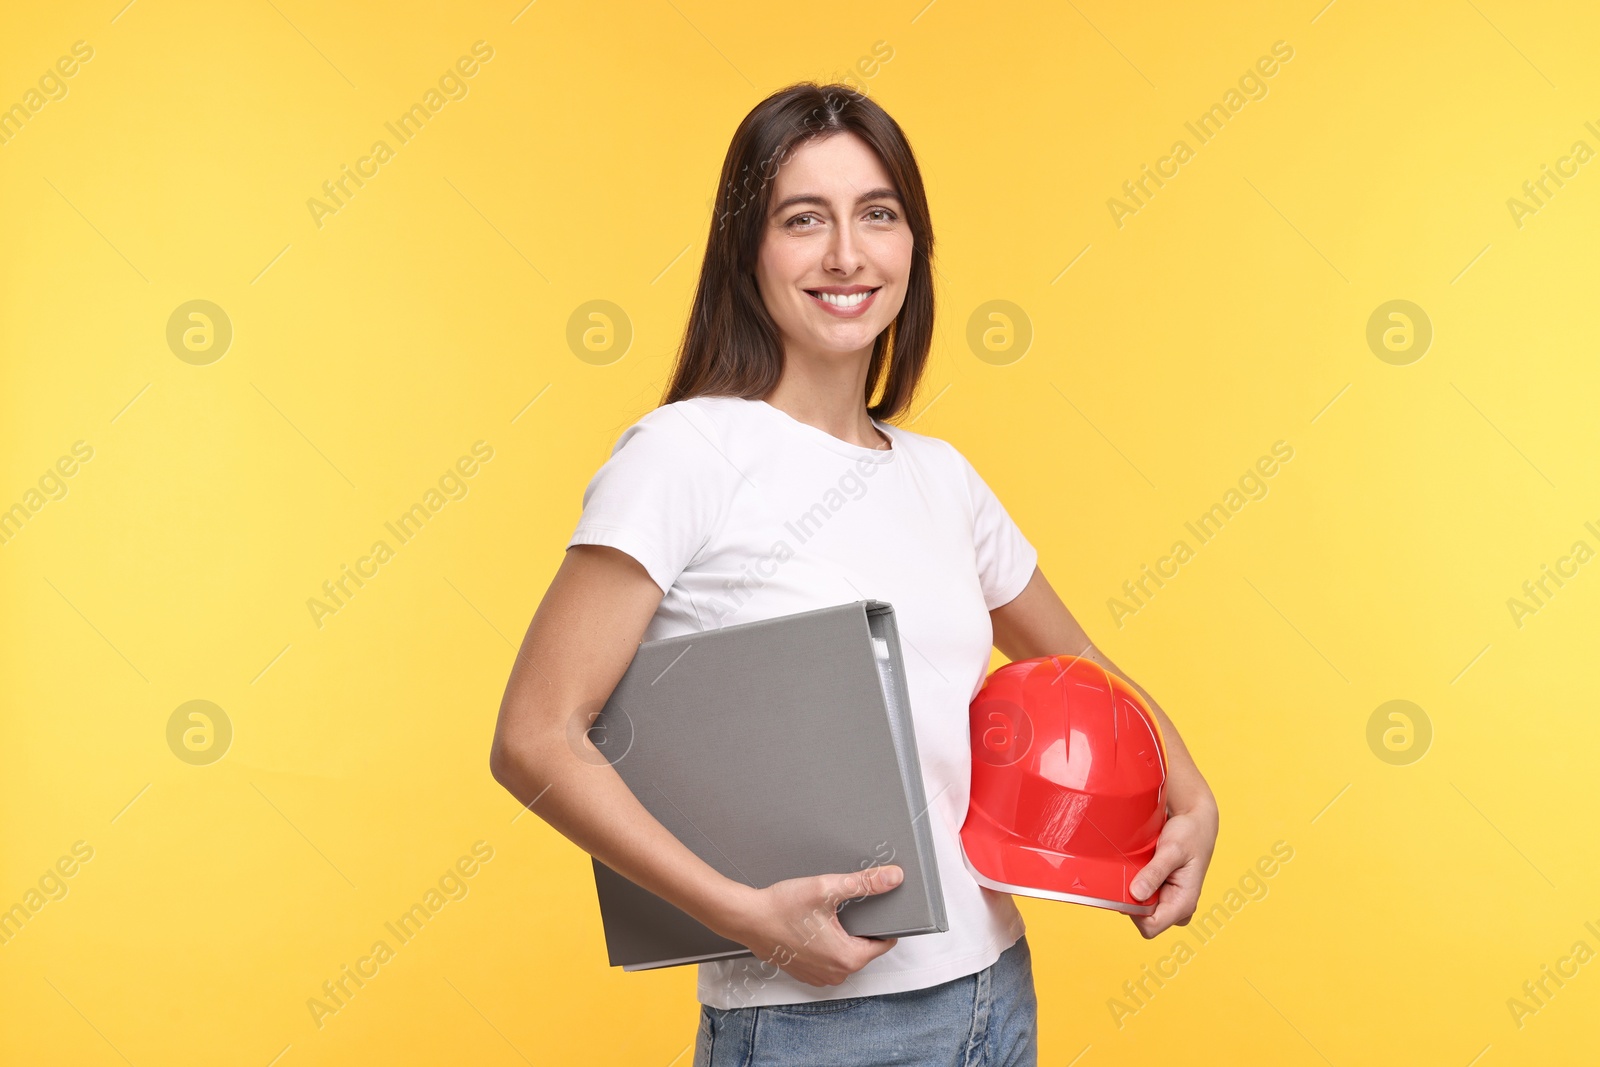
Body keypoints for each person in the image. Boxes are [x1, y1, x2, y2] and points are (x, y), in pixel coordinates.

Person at [489, 81, 1219, 1067]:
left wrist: (1190, 794)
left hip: (992, 993)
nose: (846, 254)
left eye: (877, 214)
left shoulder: (941, 476)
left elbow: (1081, 665)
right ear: (747, 251)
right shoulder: (684, 453)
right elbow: (535, 736)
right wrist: (749, 917)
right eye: (804, 219)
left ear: (911, 246)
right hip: (809, 1022)